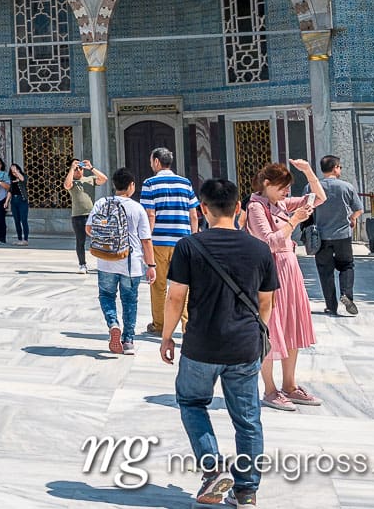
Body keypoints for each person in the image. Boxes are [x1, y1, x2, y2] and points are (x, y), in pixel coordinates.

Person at [161, 178, 277, 508]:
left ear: (203, 209)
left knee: (192, 402)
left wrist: (167, 337)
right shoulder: (259, 249)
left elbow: (176, 298)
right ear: (238, 207)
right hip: (244, 345)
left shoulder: (189, 246)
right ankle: (247, 491)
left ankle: (212, 469)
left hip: (201, 344)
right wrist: (259, 336)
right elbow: (266, 302)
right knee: (248, 419)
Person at [247, 160, 326, 411]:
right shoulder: (255, 207)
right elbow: (268, 241)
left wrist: (308, 172)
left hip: (289, 268)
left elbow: (319, 198)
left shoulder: (279, 203)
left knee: (292, 325)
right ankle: (270, 390)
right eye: (282, 187)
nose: (286, 193)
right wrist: (294, 221)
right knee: (271, 328)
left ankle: (290, 385)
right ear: (267, 184)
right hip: (269, 270)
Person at [87, 168, 156, 355]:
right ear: (131, 186)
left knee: (107, 296)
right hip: (131, 262)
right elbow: (146, 240)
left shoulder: (101, 203)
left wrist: (105, 239)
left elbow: (88, 229)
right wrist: (151, 266)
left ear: (114, 185)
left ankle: (113, 324)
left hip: (106, 260)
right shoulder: (137, 208)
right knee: (130, 301)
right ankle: (128, 341)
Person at [141, 148, 199, 331]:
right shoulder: (185, 183)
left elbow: (150, 214)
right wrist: (193, 238)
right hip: (183, 242)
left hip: (158, 241)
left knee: (158, 285)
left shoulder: (149, 183)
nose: (151, 164)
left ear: (157, 162)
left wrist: (146, 241)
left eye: (151, 160)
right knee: (184, 285)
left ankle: (160, 324)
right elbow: (194, 215)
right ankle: (186, 324)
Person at [312, 154, 363, 316]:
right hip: (342, 235)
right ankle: (346, 294)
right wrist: (352, 218)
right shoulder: (346, 187)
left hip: (320, 236)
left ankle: (331, 305)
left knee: (325, 270)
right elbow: (358, 209)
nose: (340, 169)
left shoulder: (312, 187)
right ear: (335, 168)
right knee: (346, 265)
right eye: (339, 167)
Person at [66, 159, 109, 273]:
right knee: (80, 241)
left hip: (92, 215)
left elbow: (104, 179)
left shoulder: (89, 180)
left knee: (99, 240)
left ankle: (103, 263)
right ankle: (82, 265)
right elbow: (66, 185)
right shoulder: (72, 181)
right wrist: (71, 168)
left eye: (80, 168)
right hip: (78, 216)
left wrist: (91, 167)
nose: (79, 170)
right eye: (76, 169)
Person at [7, 162, 30, 245]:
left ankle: (25, 239)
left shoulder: (23, 177)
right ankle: (19, 238)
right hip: (14, 201)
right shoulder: (12, 180)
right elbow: (10, 191)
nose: (14, 173)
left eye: (16, 170)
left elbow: (23, 179)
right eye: (12, 172)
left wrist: (16, 171)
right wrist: (6, 202)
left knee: (24, 220)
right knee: (17, 221)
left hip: (22, 201)